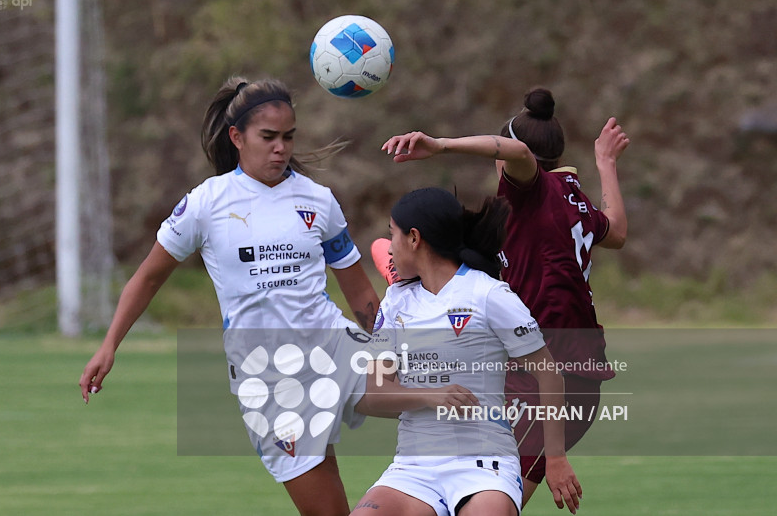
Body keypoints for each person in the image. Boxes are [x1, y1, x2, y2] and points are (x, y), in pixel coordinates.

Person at [79, 77, 380, 516]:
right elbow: (147, 278)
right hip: (270, 380)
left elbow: (359, 290)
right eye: (269, 137)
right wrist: (109, 344)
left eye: (289, 137)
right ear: (237, 137)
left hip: (335, 346)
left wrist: (394, 342)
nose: (281, 148)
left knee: (440, 400)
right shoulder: (206, 203)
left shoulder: (318, 200)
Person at [374, 88, 629, 509]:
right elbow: (616, 231)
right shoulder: (573, 199)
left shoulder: (530, 191)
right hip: (551, 369)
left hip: (553, 376)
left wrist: (440, 145)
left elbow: (518, 153)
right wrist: (606, 163)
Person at [351, 187, 582, 516]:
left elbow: (550, 375)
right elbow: (371, 394)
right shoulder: (396, 301)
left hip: (485, 466)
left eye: (393, 235)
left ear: (414, 238)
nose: (389, 248)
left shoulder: (489, 294)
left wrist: (556, 458)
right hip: (412, 469)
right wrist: (429, 396)